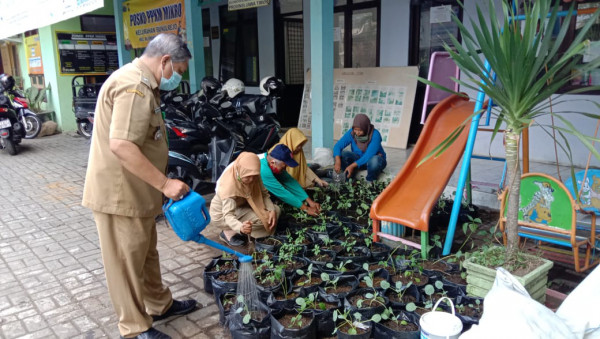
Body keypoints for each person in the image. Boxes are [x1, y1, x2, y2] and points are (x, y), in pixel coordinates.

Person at [82, 33, 195, 339]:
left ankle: (160, 304)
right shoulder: (134, 87)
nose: (178, 78)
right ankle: (135, 327)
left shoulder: (144, 84)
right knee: (126, 261)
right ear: (165, 61)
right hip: (120, 194)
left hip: (137, 192)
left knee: (146, 253)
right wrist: (165, 183)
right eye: (180, 71)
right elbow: (121, 145)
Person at [210, 152, 280, 246]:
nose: (251, 180)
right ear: (241, 171)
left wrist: (271, 209)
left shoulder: (254, 174)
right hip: (222, 215)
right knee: (263, 219)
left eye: (254, 176)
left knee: (276, 210)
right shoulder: (229, 186)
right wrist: (240, 227)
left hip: (241, 205)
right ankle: (229, 232)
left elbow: (264, 194)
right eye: (248, 177)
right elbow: (228, 216)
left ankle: (244, 230)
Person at [260, 144, 321, 216]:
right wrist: (306, 209)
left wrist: (310, 202)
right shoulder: (263, 169)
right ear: (273, 162)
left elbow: (290, 181)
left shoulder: (271, 161)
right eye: (283, 167)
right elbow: (282, 193)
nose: (284, 169)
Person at [333, 114, 387, 182]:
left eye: (360, 130)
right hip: (358, 159)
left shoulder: (375, 135)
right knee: (342, 154)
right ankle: (348, 177)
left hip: (372, 160)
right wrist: (337, 161)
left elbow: (368, 155)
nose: (357, 133)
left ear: (366, 128)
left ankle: (370, 181)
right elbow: (338, 146)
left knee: (375, 160)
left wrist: (352, 166)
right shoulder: (352, 133)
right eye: (355, 129)